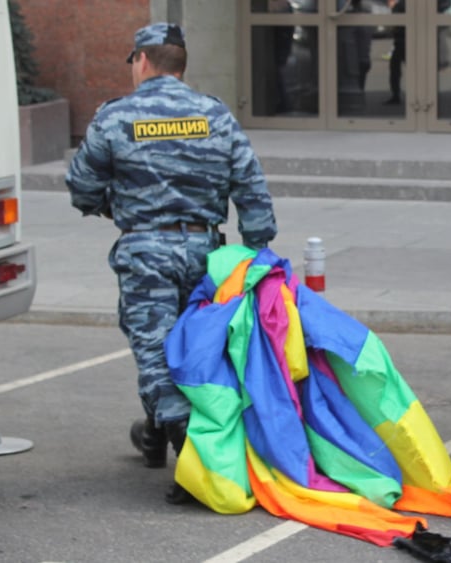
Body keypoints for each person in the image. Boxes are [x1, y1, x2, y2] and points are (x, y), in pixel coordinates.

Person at [65, 22, 277, 503]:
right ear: (181, 65)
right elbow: (250, 186)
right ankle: (155, 435)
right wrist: (257, 252)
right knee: (199, 350)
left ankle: (194, 468)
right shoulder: (215, 115)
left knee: (155, 353)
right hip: (207, 253)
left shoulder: (116, 117)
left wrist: (112, 207)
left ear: (141, 60)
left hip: (146, 254)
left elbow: (81, 187)